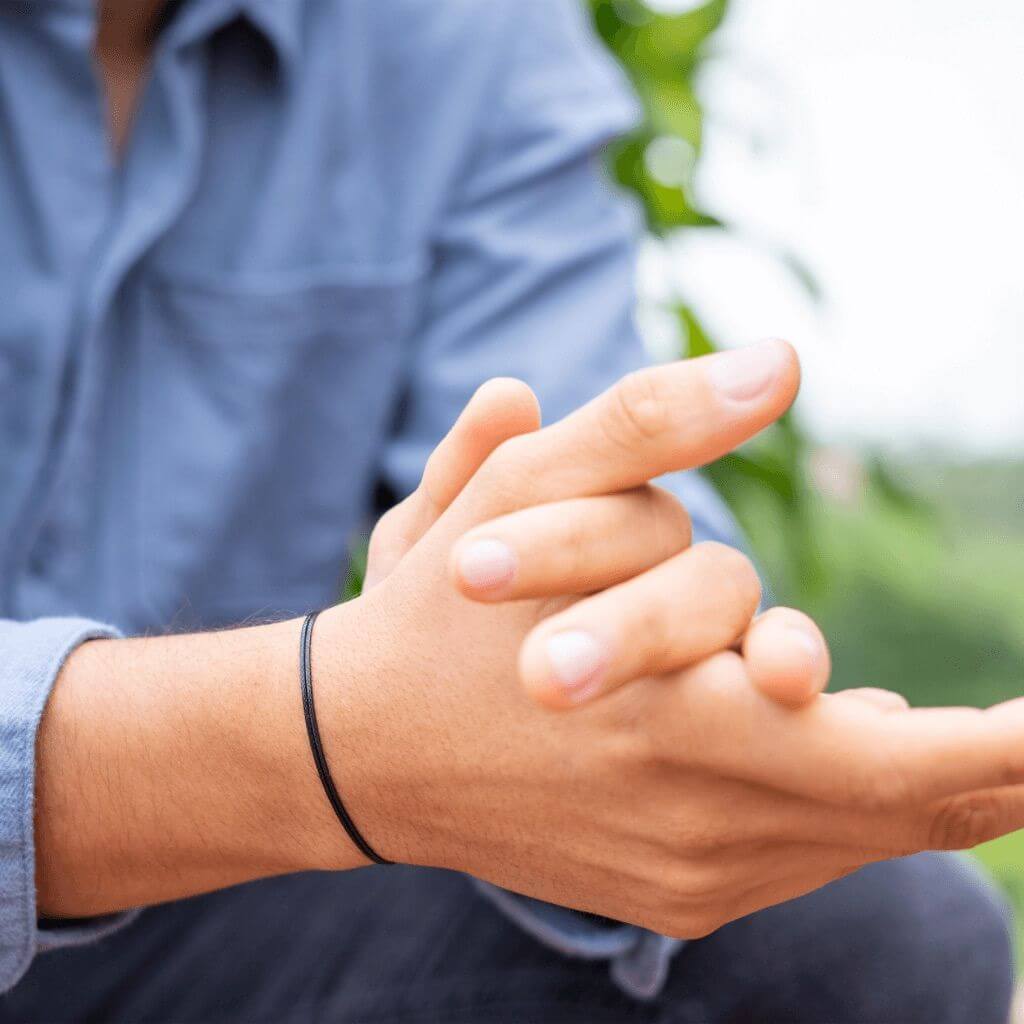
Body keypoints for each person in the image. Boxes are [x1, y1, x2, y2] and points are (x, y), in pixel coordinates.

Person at [0, 1, 1015, 1020]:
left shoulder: (463, 38)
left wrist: (653, 680)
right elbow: (350, 733)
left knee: (881, 934)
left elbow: (580, 476)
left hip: (195, 910)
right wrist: (324, 727)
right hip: (247, 808)